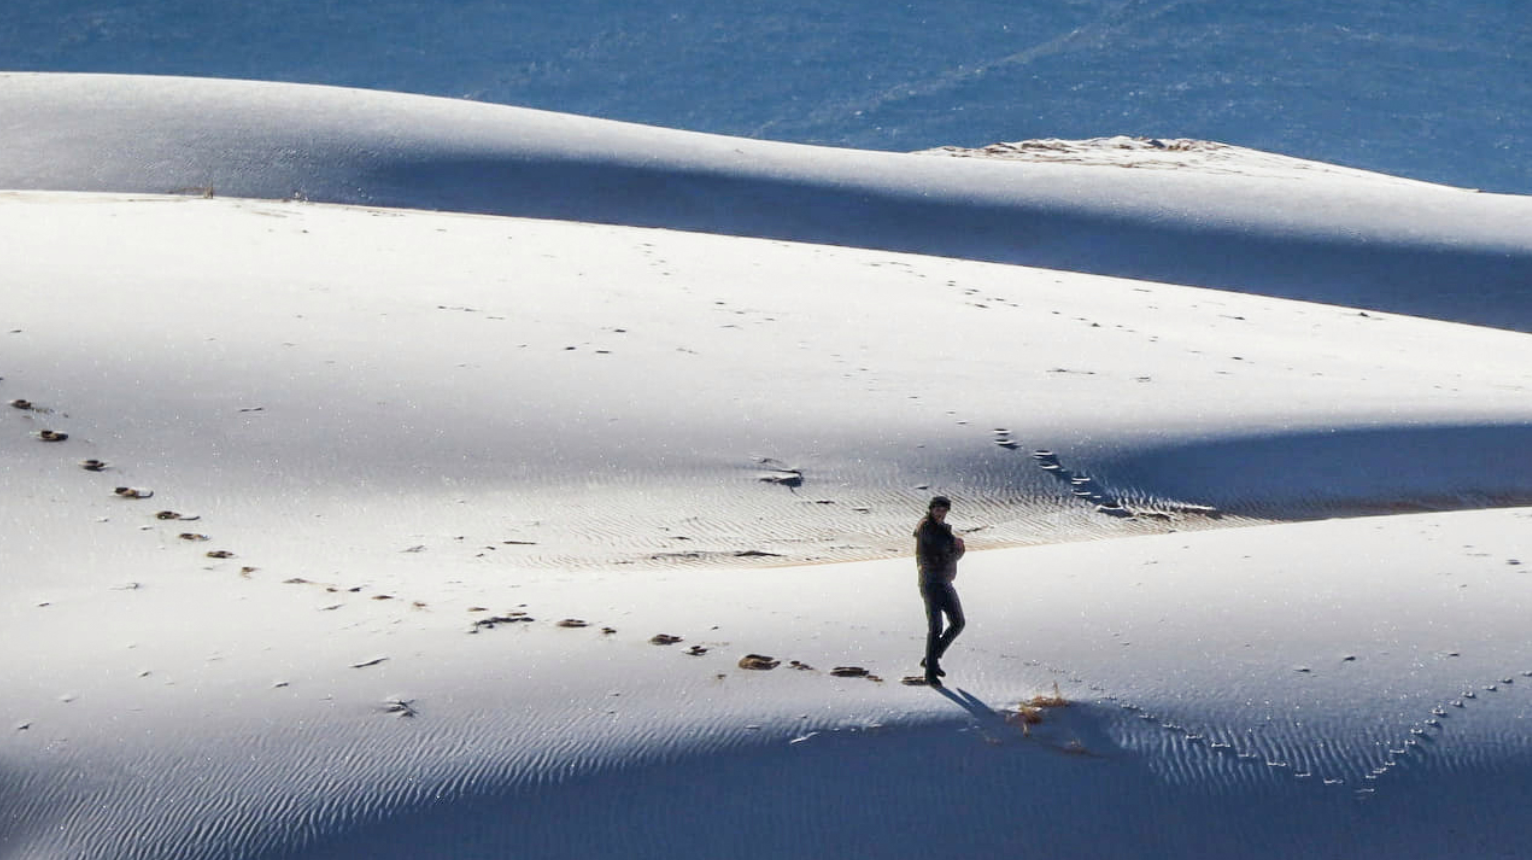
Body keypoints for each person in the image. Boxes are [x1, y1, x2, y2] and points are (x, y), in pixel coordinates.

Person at [914, 495, 965, 686]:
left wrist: (957, 549)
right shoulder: (926, 528)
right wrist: (956, 549)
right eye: (937, 509)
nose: (940, 513)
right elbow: (937, 556)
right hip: (930, 582)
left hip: (944, 582)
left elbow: (950, 555)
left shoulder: (942, 529)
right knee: (936, 627)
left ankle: (931, 659)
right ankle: (930, 673)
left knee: (958, 622)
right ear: (931, 509)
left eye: (944, 510)